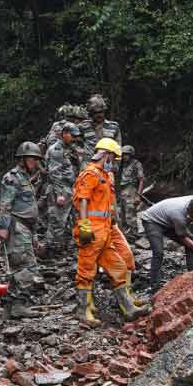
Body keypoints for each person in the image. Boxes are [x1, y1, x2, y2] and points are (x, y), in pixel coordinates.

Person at [72, 138, 148, 327]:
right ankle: (83, 312)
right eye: (112, 158)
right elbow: (82, 199)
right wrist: (83, 225)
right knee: (86, 270)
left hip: (105, 228)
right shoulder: (90, 173)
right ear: (105, 155)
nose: (114, 162)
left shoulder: (104, 175)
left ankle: (128, 308)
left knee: (118, 267)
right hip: (92, 228)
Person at [0, 142, 45, 319]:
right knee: (28, 267)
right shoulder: (12, 178)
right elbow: (5, 205)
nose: (35, 162)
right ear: (23, 159)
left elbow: (30, 209)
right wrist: (3, 228)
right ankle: (18, 305)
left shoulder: (27, 179)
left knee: (20, 266)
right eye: (32, 158)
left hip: (26, 227)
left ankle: (10, 307)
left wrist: (34, 236)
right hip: (16, 226)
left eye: (36, 159)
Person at [140, 196, 193, 288]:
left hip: (168, 218)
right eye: (192, 217)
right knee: (158, 252)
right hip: (152, 221)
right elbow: (183, 237)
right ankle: (155, 285)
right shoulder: (178, 216)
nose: (192, 219)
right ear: (188, 211)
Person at [45, 123, 81, 257]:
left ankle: (64, 248)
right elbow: (54, 174)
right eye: (73, 135)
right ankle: (51, 250)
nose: (75, 139)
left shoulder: (69, 149)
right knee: (57, 221)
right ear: (64, 133)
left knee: (69, 220)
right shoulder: (56, 150)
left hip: (70, 188)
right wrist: (59, 194)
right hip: (60, 189)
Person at [118, 145, 145, 233]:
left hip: (131, 189)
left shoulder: (136, 164)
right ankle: (127, 234)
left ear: (131, 154)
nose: (124, 156)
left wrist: (138, 196)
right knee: (122, 213)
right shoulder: (122, 164)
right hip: (123, 190)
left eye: (126, 154)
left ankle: (135, 233)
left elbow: (141, 180)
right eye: (123, 154)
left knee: (130, 213)